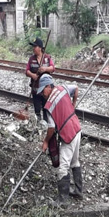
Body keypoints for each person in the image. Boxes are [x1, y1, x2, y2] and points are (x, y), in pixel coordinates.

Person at [37, 75, 83, 206]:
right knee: (74, 161)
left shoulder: (49, 106)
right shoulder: (63, 88)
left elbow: (51, 128)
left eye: (43, 90)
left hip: (68, 135)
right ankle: (78, 191)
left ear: (48, 86)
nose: (42, 94)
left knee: (63, 167)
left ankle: (62, 201)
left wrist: (46, 141)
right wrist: (73, 104)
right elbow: (76, 88)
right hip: (77, 128)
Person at [25, 37, 55, 122]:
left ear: (40, 48)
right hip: (35, 89)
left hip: (46, 90)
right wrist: (33, 75)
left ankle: (46, 124)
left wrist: (45, 69)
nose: (33, 48)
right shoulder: (31, 59)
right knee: (37, 110)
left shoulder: (47, 58)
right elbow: (27, 71)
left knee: (46, 110)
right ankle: (39, 124)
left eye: (35, 47)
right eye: (33, 47)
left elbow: (52, 68)